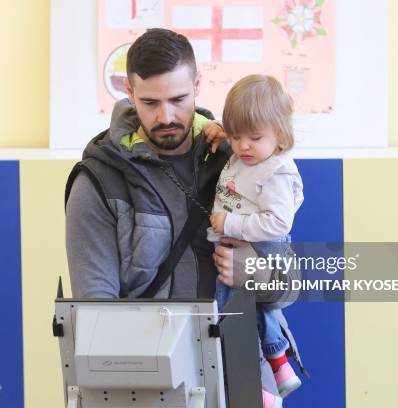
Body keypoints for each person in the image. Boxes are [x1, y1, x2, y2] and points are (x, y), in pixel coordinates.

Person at [65, 28, 296, 405]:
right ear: (128, 91)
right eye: (150, 102)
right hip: (149, 388)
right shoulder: (98, 180)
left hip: (243, 377)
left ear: (199, 84)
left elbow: (290, 288)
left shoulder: (238, 157)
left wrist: (254, 272)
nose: (166, 116)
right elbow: (96, 318)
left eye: (178, 98)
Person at [205, 74, 304, 407]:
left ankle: (262, 373)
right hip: (244, 242)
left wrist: (231, 223)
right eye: (235, 136)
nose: (242, 146)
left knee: (233, 310)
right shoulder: (247, 155)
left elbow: (278, 222)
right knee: (252, 311)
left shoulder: (274, 171)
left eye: (254, 137)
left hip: (263, 246)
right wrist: (222, 132)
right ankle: (277, 365)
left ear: (280, 135)